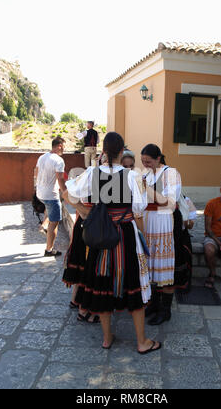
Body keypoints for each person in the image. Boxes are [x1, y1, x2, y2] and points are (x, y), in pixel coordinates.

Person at [62, 132, 161, 354]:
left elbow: (68, 194)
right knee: (133, 282)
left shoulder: (92, 173)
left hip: (102, 235)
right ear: (122, 150)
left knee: (102, 283)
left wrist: (85, 212)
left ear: (104, 151)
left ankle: (107, 338)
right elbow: (138, 209)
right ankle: (142, 341)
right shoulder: (133, 176)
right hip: (125, 235)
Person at [141, 144, 182, 325]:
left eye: (148, 161)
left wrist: (146, 189)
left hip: (163, 222)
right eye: (142, 162)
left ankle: (165, 310)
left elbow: (169, 202)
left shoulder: (171, 173)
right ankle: (154, 304)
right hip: (148, 221)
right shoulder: (147, 174)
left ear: (158, 159)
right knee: (151, 266)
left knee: (163, 266)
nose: (145, 164)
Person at [35, 136, 67, 257]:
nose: (64, 149)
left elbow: (36, 173)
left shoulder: (42, 157)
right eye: (63, 146)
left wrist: (38, 187)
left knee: (49, 211)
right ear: (59, 146)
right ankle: (49, 250)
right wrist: (66, 194)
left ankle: (43, 225)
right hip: (51, 195)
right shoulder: (58, 160)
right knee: (54, 222)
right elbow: (60, 179)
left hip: (40, 193)